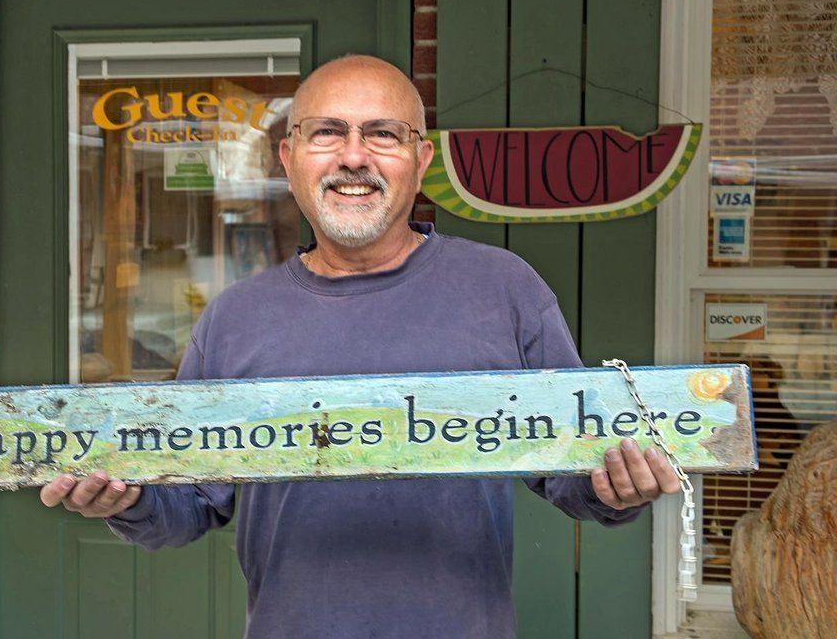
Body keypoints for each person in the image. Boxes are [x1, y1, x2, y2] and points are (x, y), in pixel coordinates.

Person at [40, 55, 681, 638]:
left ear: (420, 159)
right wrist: (129, 500)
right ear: (288, 158)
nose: (354, 156)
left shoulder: (504, 289)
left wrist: (615, 487)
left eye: (382, 133)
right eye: (327, 133)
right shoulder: (235, 319)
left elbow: (573, 470)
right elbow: (190, 504)